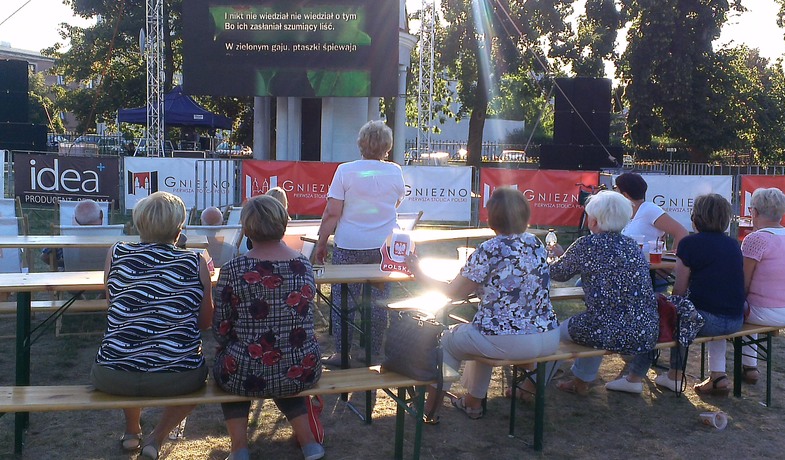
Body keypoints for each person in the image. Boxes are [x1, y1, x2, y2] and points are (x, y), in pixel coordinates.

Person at [405, 187, 560, 420]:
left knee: (447, 340)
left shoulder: (490, 248)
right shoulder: (535, 243)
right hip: (548, 336)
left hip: (509, 339)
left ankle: (430, 410)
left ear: (491, 217)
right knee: (477, 334)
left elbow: (453, 292)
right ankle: (472, 403)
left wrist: (419, 273)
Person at [90, 191, 214, 460]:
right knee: (198, 377)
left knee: (129, 343)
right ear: (179, 229)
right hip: (179, 377)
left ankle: (132, 430)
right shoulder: (195, 262)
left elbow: (113, 305)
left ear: (139, 223)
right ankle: (156, 438)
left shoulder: (116, 253)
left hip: (112, 373)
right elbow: (206, 323)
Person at [212, 195, 324, 460]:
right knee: (280, 366)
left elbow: (221, 328)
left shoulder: (233, 268)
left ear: (246, 228)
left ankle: (239, 449)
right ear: (283, 223)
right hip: (302, 367)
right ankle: (309, 444)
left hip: (244, 371)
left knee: (236, 364)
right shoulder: (303, 264)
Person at [623, 194, 745, 395]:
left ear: (696, 217)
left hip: (707, 320)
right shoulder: (733, 244)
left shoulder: (690, 244)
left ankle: (636, 377)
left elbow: (679, 290)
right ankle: (674, 374)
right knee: (679, 312)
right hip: (735, 319)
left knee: (660, 311)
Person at [314, 120, 405, 365]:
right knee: (378, 301)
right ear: (387, 146)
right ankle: (371, 351)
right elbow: (396, 202)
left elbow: (332, 212)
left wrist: (321, 242)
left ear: (361, 143)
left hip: (349, 245)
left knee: (343, 300)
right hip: (384, 247)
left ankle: (342, 353)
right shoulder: (395, 171)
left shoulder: (345, 171)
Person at [550, 190, 658, 395]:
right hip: (644, 329)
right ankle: (581, 382)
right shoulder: (632, 245)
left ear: (594, 221)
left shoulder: (587, 244)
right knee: (592, 323)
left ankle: (531, 385)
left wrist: (552, 258)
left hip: (608, 328)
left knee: (556, 334)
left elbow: (557, 273)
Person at [741, 187, 785, 385]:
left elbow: (743, 283)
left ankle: (718, 374)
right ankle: (750, 366)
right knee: (747, 305)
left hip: (770, 312)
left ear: (755, 212)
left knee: (723, 311)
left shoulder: (756, 239)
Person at [614, 172, 689, 249]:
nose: (614, 192)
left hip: (650, 256)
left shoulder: (649, 210)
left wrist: (672, 255)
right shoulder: (626, 213)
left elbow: (681, 233)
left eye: (615, 188)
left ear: (625, 195)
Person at [41, 199, 105, 269]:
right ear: (101, 215)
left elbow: (45, 257)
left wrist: (65, 264)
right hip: (104, 274)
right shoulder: (110, 235)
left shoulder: (66, 238)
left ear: (76, 220)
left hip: (72, 274)